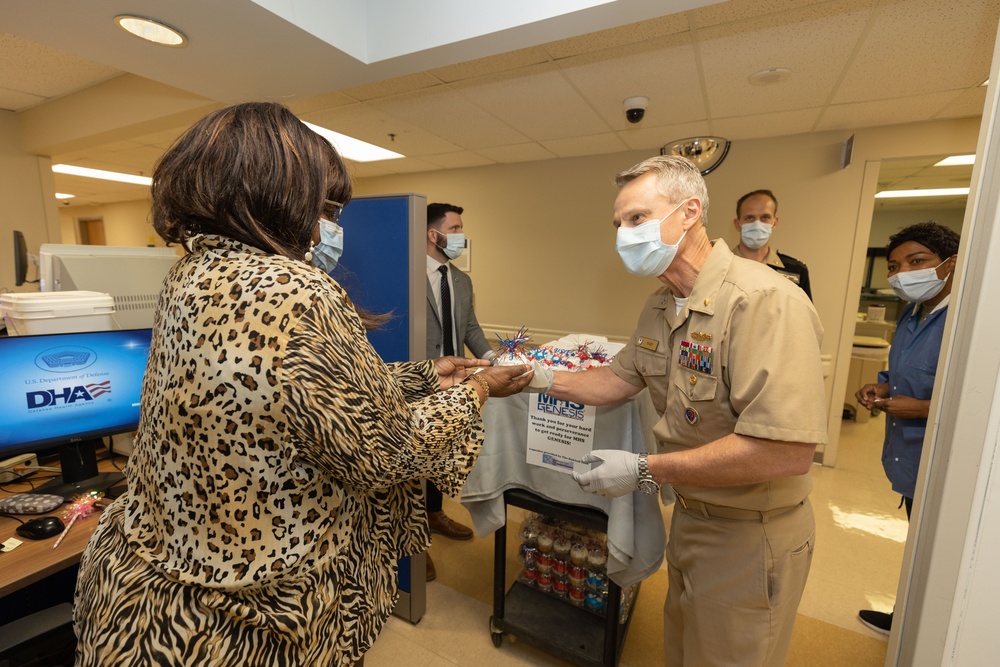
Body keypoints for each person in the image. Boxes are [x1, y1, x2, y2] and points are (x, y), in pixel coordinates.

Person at [72, 102, 532, 667]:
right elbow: (389, 452)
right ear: (278, 196)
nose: (326, 226)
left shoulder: (188, 277)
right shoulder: (295, 289)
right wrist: (477, 390)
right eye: (325, 207)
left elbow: (275, 394)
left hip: (147, 597)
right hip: (245, 620)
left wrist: (422, 375)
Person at [528, 155, 827, 666]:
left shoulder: (765, 301)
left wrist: (645, 469)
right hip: (690, 518)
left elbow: (784, 452)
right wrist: (539, 377)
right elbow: (620, 378)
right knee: (684, 651)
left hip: (751, 531)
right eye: (618, 223)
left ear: (689, 212)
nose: (623, 233)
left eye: (637, 218)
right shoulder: (662, 304)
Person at [854, 221, 959, 636]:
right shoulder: (913, 314)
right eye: (894, 266)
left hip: (944, 461)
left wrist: (926, 408)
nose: (902, 274)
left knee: (940, 553)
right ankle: (907, 620)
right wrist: (883, 384)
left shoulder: (965, 320)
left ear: (951, 263)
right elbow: (909, 369)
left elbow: (978, 400)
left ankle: (925, 633)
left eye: (917, 261)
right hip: (910, 457)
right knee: (921, 547)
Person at [423, 202, 494, 581]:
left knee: (441, 456)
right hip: (416, 382)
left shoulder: (461, 280)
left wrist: (492, 359)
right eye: (455, 228)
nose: (460, 236)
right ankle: (412, 542)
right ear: (432, 234)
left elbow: (470, 329)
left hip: (452, 384)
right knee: (411, 465)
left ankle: (433, 514)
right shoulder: (408, 276)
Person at [732, 189, 812, 299]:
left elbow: (804, 315)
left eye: (765, 217)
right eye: (749, 218)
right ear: (737, 224)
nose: (757, 224)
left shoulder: (795, 270)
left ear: (774, 223)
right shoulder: (721, 266)